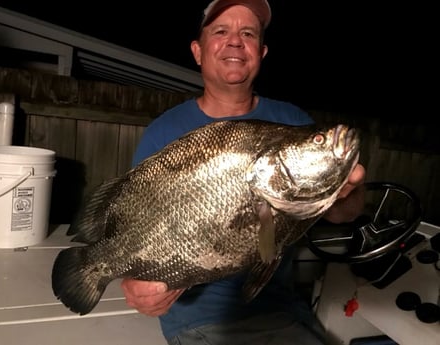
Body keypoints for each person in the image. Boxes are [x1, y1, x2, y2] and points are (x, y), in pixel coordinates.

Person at [121, 1, 366, 344]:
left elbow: (342, 214)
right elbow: (130, 223)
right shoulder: (164, 132)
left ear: (261, 52)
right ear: (198, 51)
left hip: (282, 306)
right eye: (221, 31)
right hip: (202, 316)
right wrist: (131, 282)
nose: (235, 41)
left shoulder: (293, 121)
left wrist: (347, 192)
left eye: (247, 33)